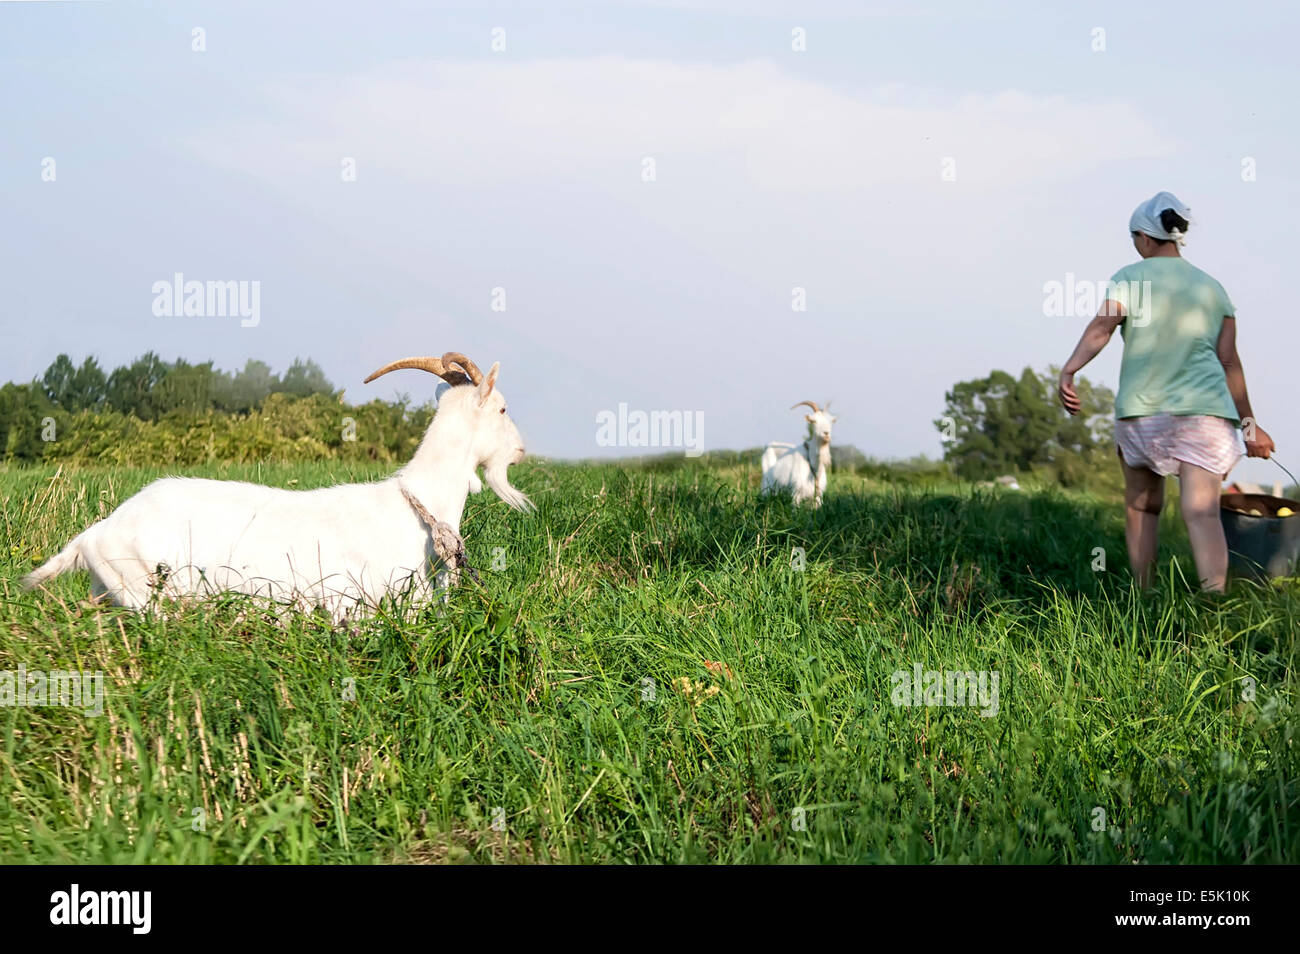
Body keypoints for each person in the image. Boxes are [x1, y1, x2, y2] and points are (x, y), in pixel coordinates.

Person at [1058, 191, 1274, 591]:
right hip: (1204, 415)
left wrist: (1069, 371)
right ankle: (1214, 604)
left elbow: (1101, 330)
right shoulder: (1213, 289)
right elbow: (1230, 363)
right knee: (1202, 513)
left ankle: (1144, 596)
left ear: (1144, 237)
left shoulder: (1128, 278)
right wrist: (1249, 427)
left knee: (1142, 506)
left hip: (1143, 413)